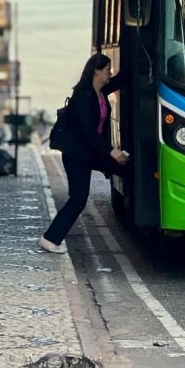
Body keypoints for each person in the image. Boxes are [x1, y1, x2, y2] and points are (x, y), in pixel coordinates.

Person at [39, 54, 129, 254]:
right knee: (78, 198)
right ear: (96, 71)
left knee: (127, 169)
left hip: (91, 152)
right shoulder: (83, 95)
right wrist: (112, 151)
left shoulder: (100, 91)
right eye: (107, 69)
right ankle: (50, 239)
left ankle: (132, 213)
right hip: (77, 154)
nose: (110, 72)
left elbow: (120, 80)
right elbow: (88, 133)